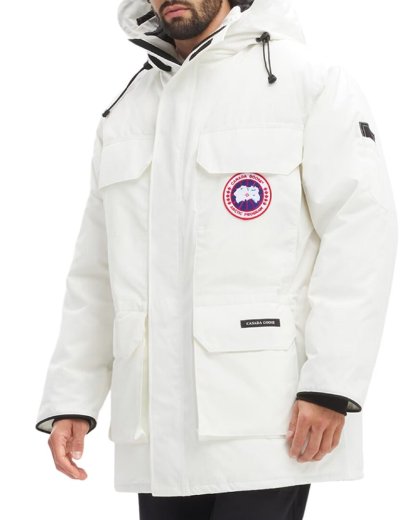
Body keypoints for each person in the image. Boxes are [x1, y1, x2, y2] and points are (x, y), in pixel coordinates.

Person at [35, 0, 398, 518]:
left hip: (268, 422)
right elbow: (97, 271)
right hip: (157, 433)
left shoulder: (306, 81)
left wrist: (331, 386)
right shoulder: (128, 110)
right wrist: (73, 398)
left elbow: (361, 232)